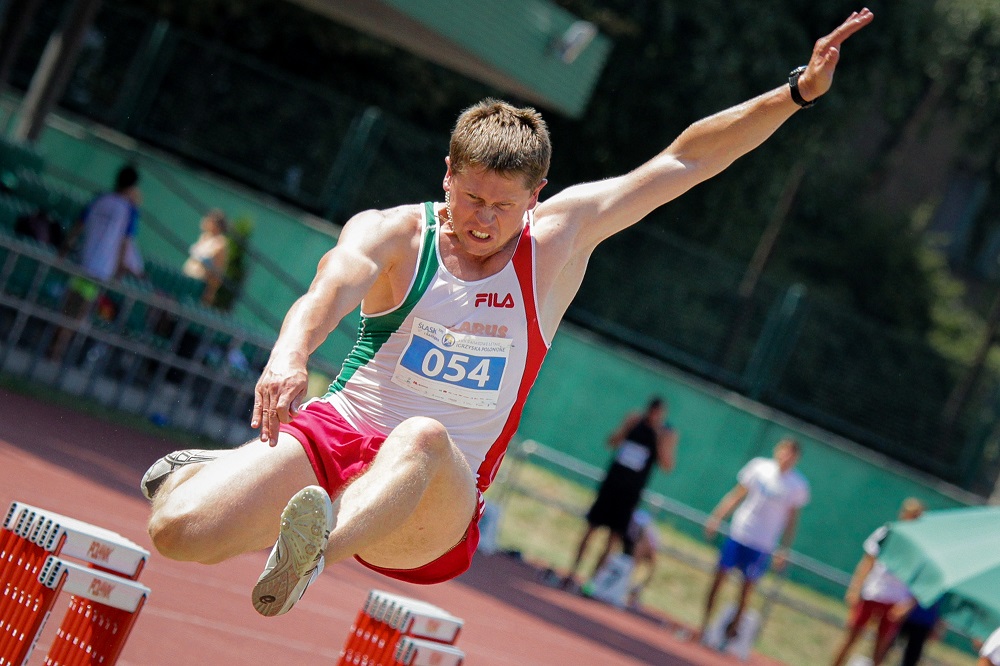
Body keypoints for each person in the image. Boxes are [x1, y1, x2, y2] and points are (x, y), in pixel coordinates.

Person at [141, 10, 874, 619]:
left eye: (502, 205)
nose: (483, 219)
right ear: (448, 175)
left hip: (432, 498)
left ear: (536, 194)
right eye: (469, 199)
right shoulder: (397, 231)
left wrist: (794, 95)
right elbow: (331, 283)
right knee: (175, 532)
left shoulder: (557, 244)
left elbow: (683, 161)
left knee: (422, 435)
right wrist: (289, 355)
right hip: (335, 437)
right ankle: (227, 485)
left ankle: (308, 555)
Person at [700, 438, 810, 642]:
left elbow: (792, 520)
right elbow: (737, 494)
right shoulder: (759, 467)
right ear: (778, 450)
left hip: (763, 543)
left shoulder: (798, 485)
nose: (786, 458)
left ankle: (730, 636)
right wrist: (716, 518)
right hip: (740, 533)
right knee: (718, 579)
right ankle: (703, 626)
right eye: (784, 452)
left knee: (747, 590)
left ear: (796, 459)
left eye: (792, 455)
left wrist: (784, 549)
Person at [563, 397, 677, 590]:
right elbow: (611, 442)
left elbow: (667, 465)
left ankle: (592, 582)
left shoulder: (665, 434)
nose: (654, 416)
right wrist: (627, 428)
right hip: (611, 486)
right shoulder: (634, 421)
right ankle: (571, 573)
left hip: (630, 494)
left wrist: (658, 438)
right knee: (590, 529)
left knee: (613, 539)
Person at [49, 164, 143, 360]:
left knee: (69, 307)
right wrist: (118, 271)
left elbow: (77, 227)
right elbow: (125, 244)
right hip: (99, 270)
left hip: (82, 262)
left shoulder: (100, 199)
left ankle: (54, 348)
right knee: (77, 313)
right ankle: (56, 352)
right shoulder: (129, 210)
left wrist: (64, 250)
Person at [830, 497, 925, 666]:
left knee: (881, 648)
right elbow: (867, 561)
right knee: (851, 637)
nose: (911, 518)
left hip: (896, 599)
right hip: (873, 592)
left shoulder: (922, 545)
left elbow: (923, 579)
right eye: (909, 513)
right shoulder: (887, 532)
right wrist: (855, 588)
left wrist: (908, 604)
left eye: (916, 516)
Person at [182, 208, 229, 306]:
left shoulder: (220, 243)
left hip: (200, 288)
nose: (205, 220)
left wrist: (209, 292)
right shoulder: (204, 237)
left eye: (209, 219)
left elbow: (217, 273)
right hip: (187, 280)